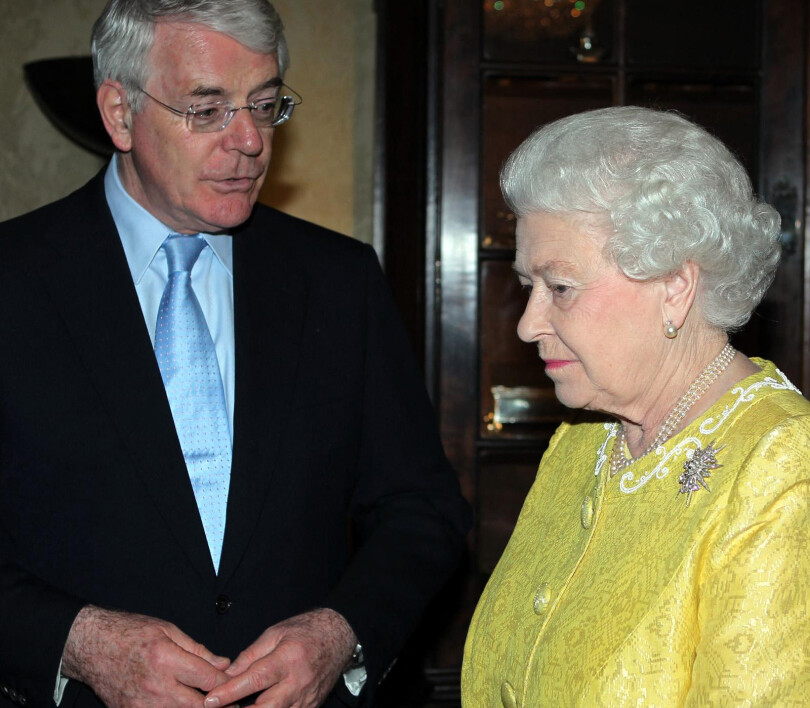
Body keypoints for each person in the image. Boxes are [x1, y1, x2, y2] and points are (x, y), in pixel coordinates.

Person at [0, 1, 471, 707]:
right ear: (119, 113)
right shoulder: (14, 280)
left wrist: (341, 633)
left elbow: (421, 510)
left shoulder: (337, 281)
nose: (249, 140)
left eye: (264, 104)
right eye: (208, 109)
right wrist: (80, 644)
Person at [461, 106, 810, 706]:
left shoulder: (783, 468)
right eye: (528, 287)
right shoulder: (580, 445)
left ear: (676, 283)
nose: (527, 324)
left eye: (561, 287)